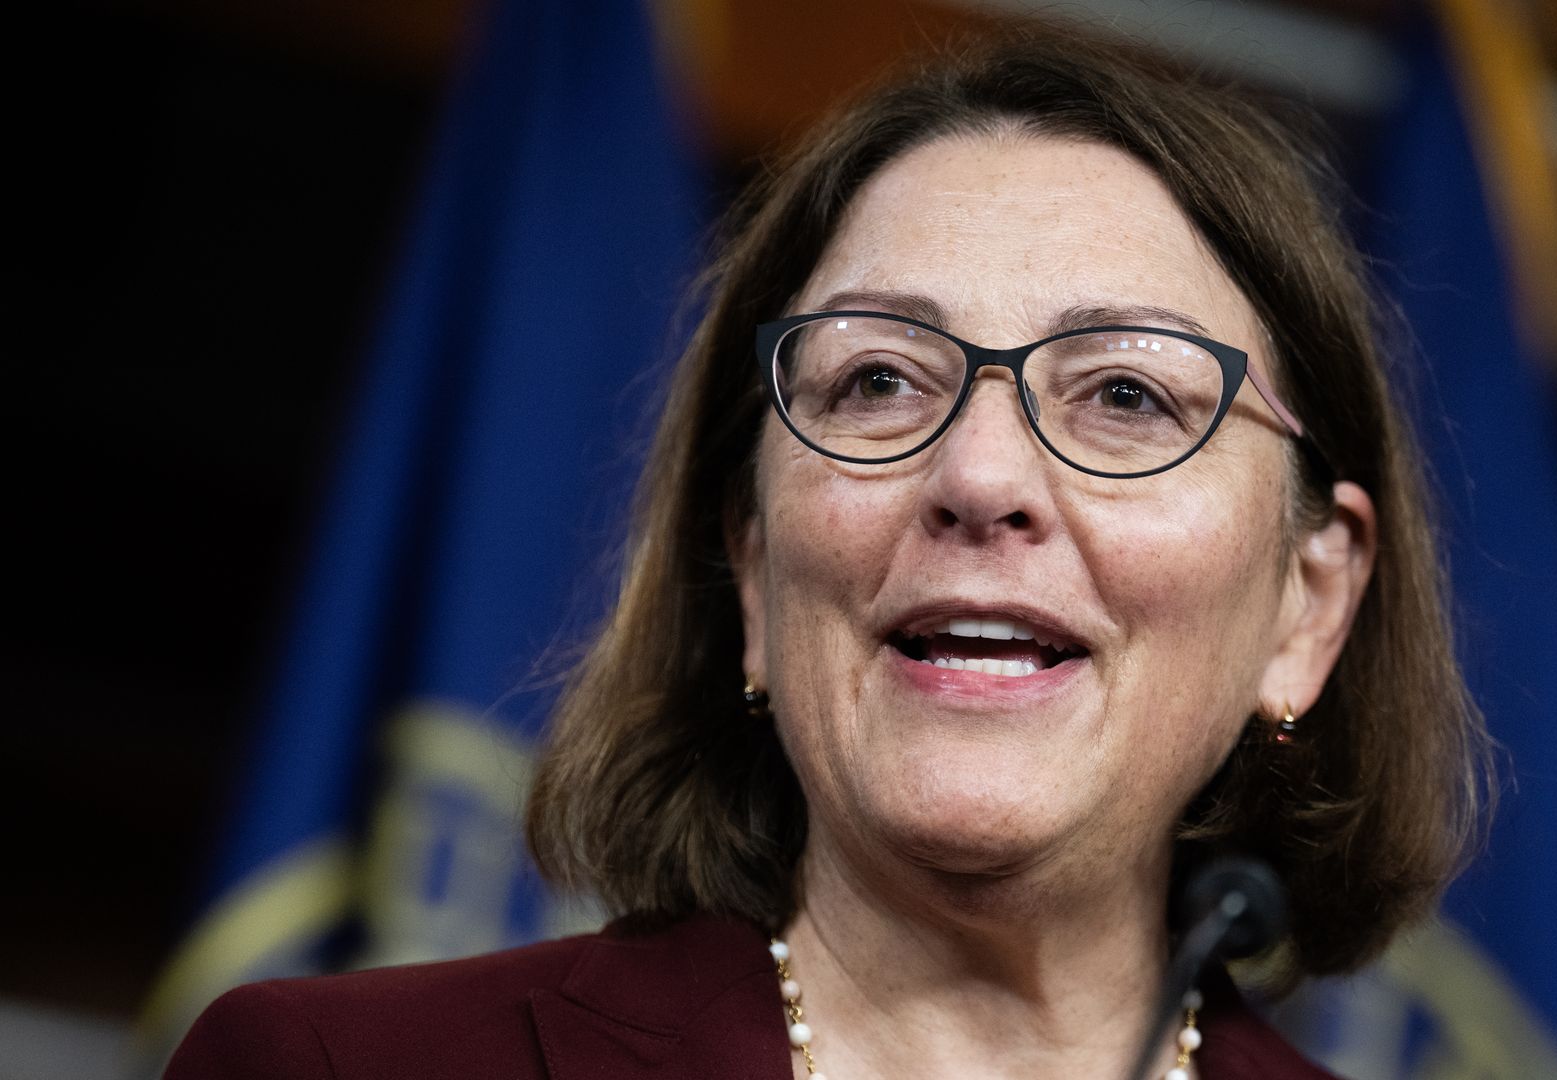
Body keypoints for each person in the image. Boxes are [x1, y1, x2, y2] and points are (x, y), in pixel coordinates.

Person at [167, 31, 1488, 1080]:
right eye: (876, 381)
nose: (979, 478)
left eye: (1126, 396)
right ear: (749, 567)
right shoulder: (336, 1069)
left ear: (1307, 605)